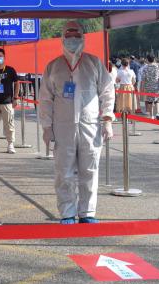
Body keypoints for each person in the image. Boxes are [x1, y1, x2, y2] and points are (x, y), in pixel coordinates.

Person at [38, 21, 115, 224]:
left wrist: (107, 119)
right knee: (64, 172)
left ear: (83, 37)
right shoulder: (53, 66)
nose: (73, 39)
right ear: (62, 38)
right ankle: (67, 213)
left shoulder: (94, 63)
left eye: (76, 35)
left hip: (90, 125)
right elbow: (45, 99)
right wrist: (46, 127)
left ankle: (87, 212)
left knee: (90, 170)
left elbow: (108, 91)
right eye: (69, 34)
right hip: (62, 127)